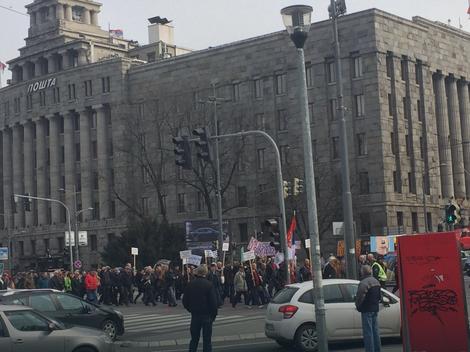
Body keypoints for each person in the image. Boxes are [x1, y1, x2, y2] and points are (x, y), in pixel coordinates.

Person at [183, 264, 218, 352]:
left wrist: (190, 309)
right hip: (207, 315)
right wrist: (213, 315)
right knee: (207, 341)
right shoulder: (209, 285)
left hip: (195, 315)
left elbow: (185, 301)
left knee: (194, 339)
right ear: (205, 273)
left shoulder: (190, 284)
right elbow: (213, 303)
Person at [355, 265, 382, 352]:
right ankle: (377, 349)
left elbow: (360, 297)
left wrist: (358, 306)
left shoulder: (364, 283)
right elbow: (379, 296)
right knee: (375, 331)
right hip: (375, 308)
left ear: (363, 272)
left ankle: (370, 350)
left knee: (368, 333)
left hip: (366, 309)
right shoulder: (376, 281)